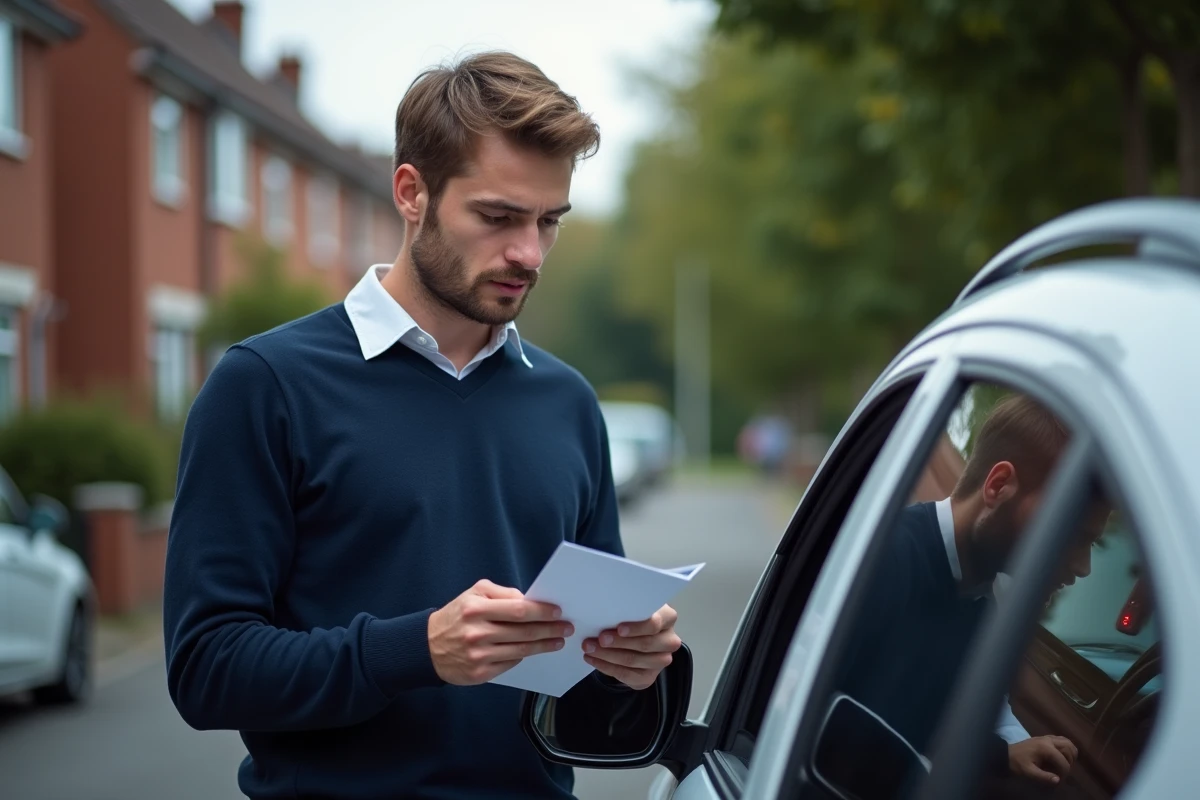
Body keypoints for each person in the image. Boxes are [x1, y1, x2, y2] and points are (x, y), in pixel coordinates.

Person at [162, 52, 682, 800]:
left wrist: (630, 668)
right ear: (413, 193)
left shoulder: (567, 402)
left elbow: (580, 706)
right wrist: (414, 651)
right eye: (499, 217)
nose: (528, 254)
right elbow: (207, 669)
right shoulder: (266, 385)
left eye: (549, 222)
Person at [837, 393, 1109, 792]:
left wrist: (1024, 750)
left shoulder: (993, 591)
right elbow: (850, 729)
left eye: (1092, 543)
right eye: (1068, 533)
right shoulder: (881, 560)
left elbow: (987, 709)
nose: (1083, 566)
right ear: (999, 486)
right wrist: (1000, 757)